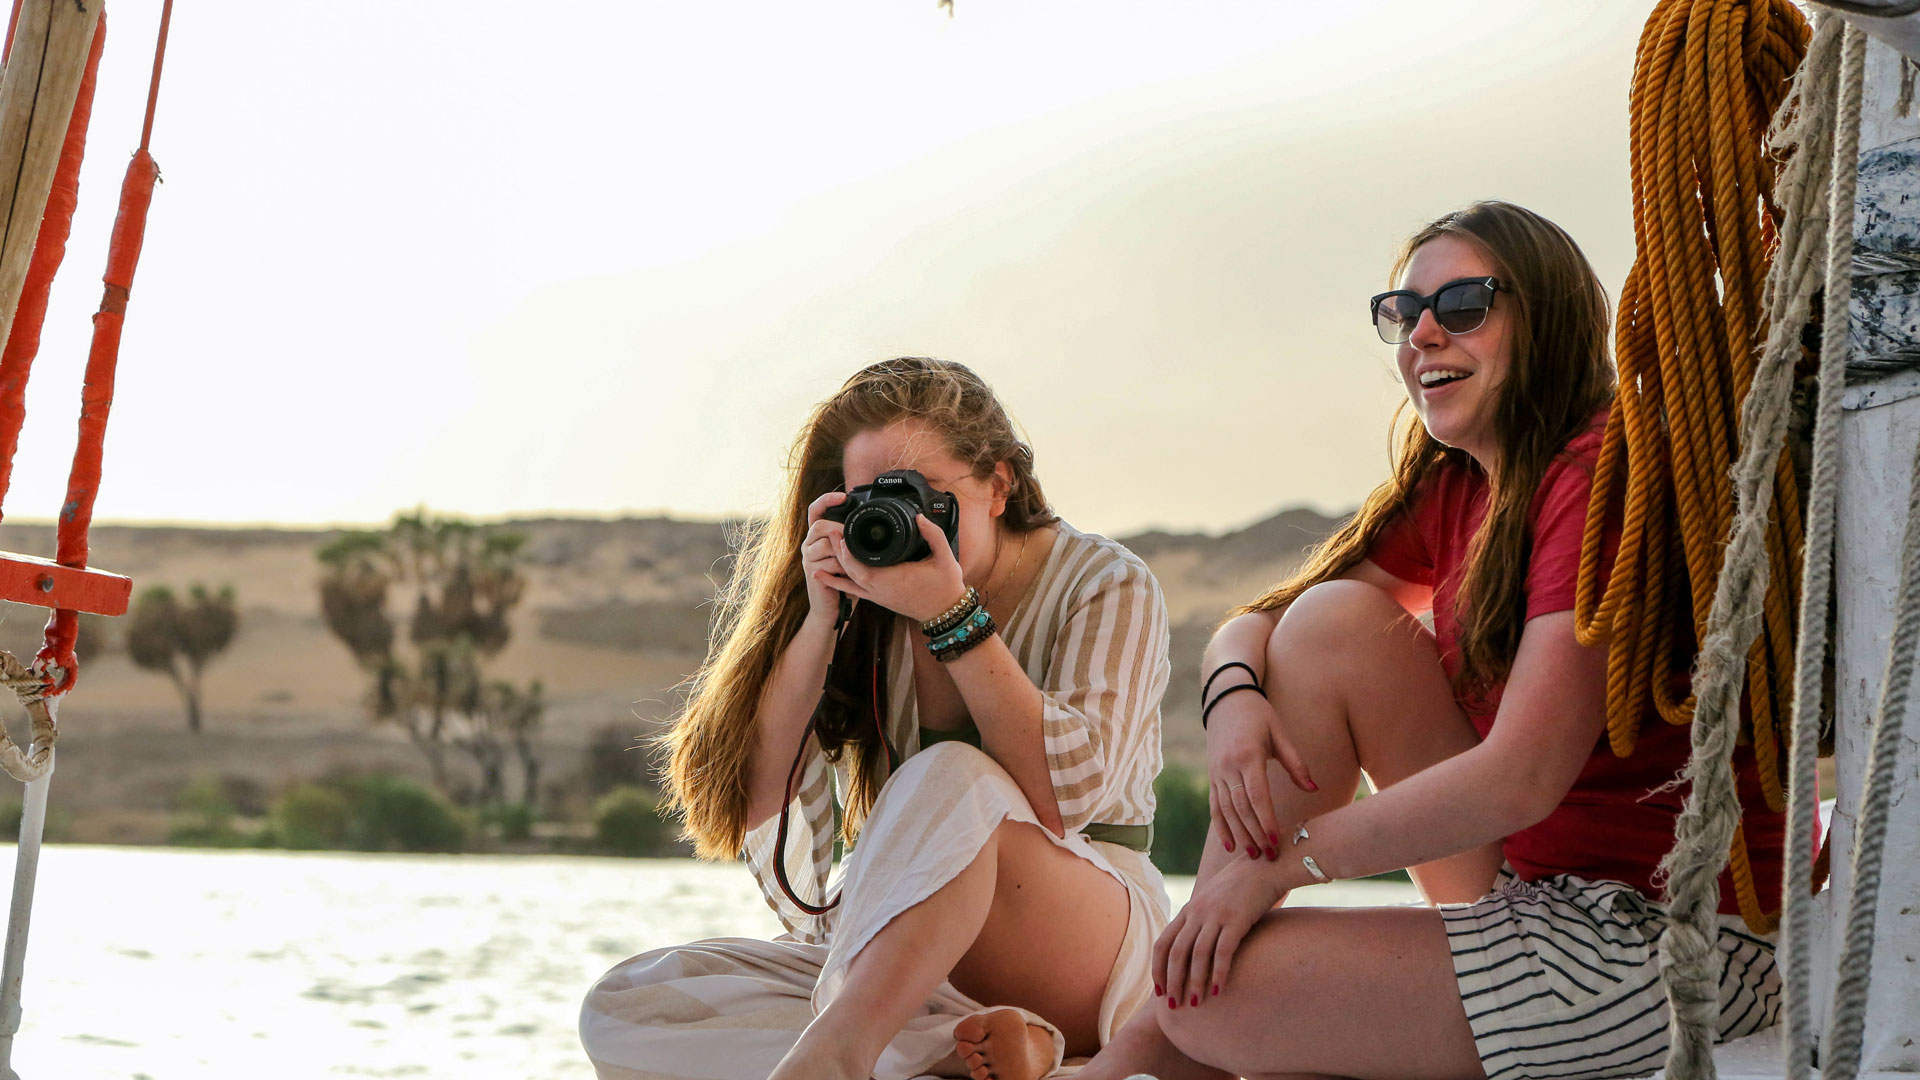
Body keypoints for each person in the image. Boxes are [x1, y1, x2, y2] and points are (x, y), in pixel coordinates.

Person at [1077, 200, 1786, 1080]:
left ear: (1549, 319)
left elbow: (1521, 775)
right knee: (1331, 623)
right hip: (1535, 895)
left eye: (1463, 308)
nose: (1423, 338)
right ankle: (1144, 1049)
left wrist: (1286, 868)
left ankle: (1142, 1050)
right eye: (1403, 314)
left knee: (1211, 997)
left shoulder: (1601, 473)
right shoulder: (1463, 486)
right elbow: (1263, 619)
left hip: (1667, 942)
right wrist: (1231, 704)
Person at [580, 357, 1172, 1080]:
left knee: (953, 773)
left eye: (924, 496)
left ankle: (840, 1056)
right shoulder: (874, 603)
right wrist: (822, 617)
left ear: (998, 483)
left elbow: (1064, 800)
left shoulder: (1105, 581)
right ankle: (985, 1052)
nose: (900, 521)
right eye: (870, 501)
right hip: (912, 954)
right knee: (632, 1003)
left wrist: (951, 615)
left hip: (1081, 934)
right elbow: (764, 798)